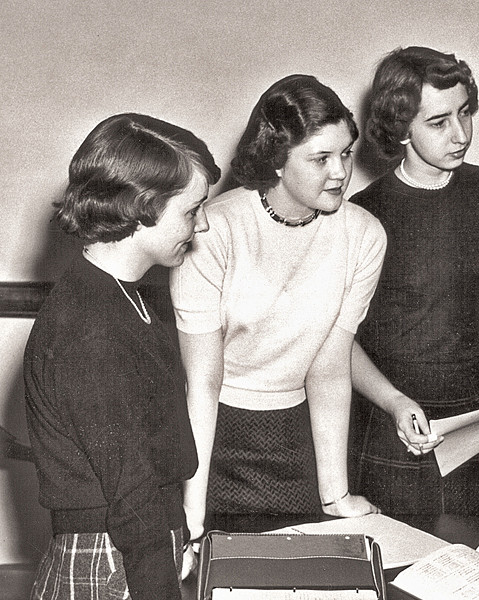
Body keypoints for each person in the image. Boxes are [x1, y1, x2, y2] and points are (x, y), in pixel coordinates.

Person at [170, 75, 383, 542]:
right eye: (320, 158)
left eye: (346, 153)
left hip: (294, 432)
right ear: (277, 161)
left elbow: (329, 368)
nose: (341, 173)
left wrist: (336, 496)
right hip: (209, 432)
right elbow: (201, 383)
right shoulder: (213, 230)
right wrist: (192, 511)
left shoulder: (364, 235)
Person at [23, 113, 220, 599]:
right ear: (143, 206)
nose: (205, 223)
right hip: (112, 560)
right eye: (193, 210)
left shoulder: (125, 296)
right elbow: (132, 493)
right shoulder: (87, 323)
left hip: (136, 548)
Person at [348, 46, 479, 515]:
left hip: (473, 414)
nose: (460, 134)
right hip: (392, 415)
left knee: (474, 559)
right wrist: (394, 402)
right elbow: (340, 340)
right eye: (438, 123)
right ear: (400, 130)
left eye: (465, 113)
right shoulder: (363, 213)